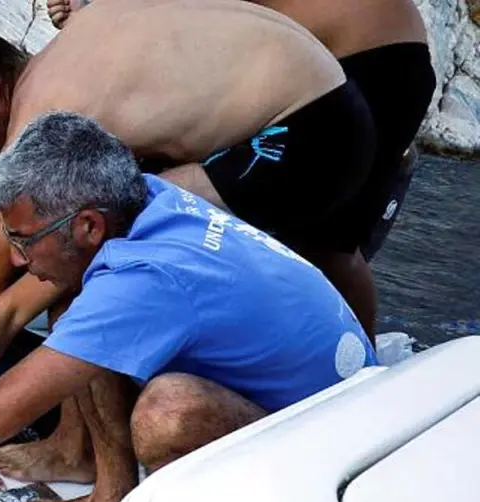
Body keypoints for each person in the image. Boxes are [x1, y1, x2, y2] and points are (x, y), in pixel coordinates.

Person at [0, 111, 376, 502]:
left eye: (23, 239)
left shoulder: (146, 278)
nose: (15, 259)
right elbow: (11, 308)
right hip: (335, 397)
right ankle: (103, 486)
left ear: (88, 226)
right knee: (83, 318)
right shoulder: (147, 200)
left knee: (166, 414)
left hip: (343, 447)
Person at [0, 6, 376, 347]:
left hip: (311, 134)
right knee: (105, 212)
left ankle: (83, 443)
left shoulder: (45, 108)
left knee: (81, 245)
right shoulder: (72, 48)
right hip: (338, 104)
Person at [46, 0, 437, 337]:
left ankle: (358, 372)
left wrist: (92, 18)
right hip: (325, 60)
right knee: (272, 230)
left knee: (328, 245)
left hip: (376, 56)